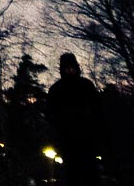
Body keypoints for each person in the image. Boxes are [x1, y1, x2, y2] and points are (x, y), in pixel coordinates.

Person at [46, 52, 101, 185]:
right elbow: (51, 117)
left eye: (72, 68)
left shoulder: (87, 86)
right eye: (67, 68)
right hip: (68, 143)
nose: (70, 71)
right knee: (72, 176)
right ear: (62, 70)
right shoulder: (56, 90)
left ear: (77, 68)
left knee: (91, 176)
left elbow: (98, 112)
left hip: (88, 140)